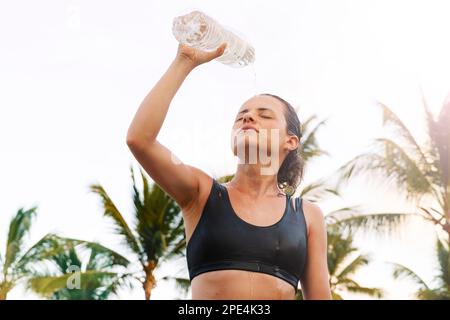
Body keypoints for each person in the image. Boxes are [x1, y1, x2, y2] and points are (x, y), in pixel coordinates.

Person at [126, 42, 332, 300]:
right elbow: (140, 140)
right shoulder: (201, 193)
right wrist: (184, 60)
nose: (248, 118)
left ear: (290, 141)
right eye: (241, 115)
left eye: (264, 115)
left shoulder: (307, 216)